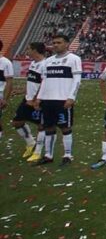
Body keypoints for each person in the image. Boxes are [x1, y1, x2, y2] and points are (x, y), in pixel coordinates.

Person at [33, 34, 82, 166]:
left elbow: (77, 80)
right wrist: (39, 98)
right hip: (47, 100)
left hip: (63, 100)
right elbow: (44, 81)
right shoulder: (48, 61)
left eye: (59, 42)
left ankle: (67, 155)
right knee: (48, 127)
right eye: (54, 43)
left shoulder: (73, 59)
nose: (55, 45)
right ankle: (48, 155)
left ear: (66, 44)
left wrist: (71, 97)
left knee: (65, 128)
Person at [12, 42, 46, 161]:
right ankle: (31, 143)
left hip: (38, 101)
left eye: (29, 49)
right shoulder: (33, 63)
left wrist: (36, 99)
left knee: (42, 126)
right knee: (17, 122)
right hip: (27, 99)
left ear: (35, 50)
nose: (27, 51)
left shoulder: (44, 65)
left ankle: (37, 152)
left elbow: (44, 84)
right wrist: (22, 91)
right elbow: (31, 81)